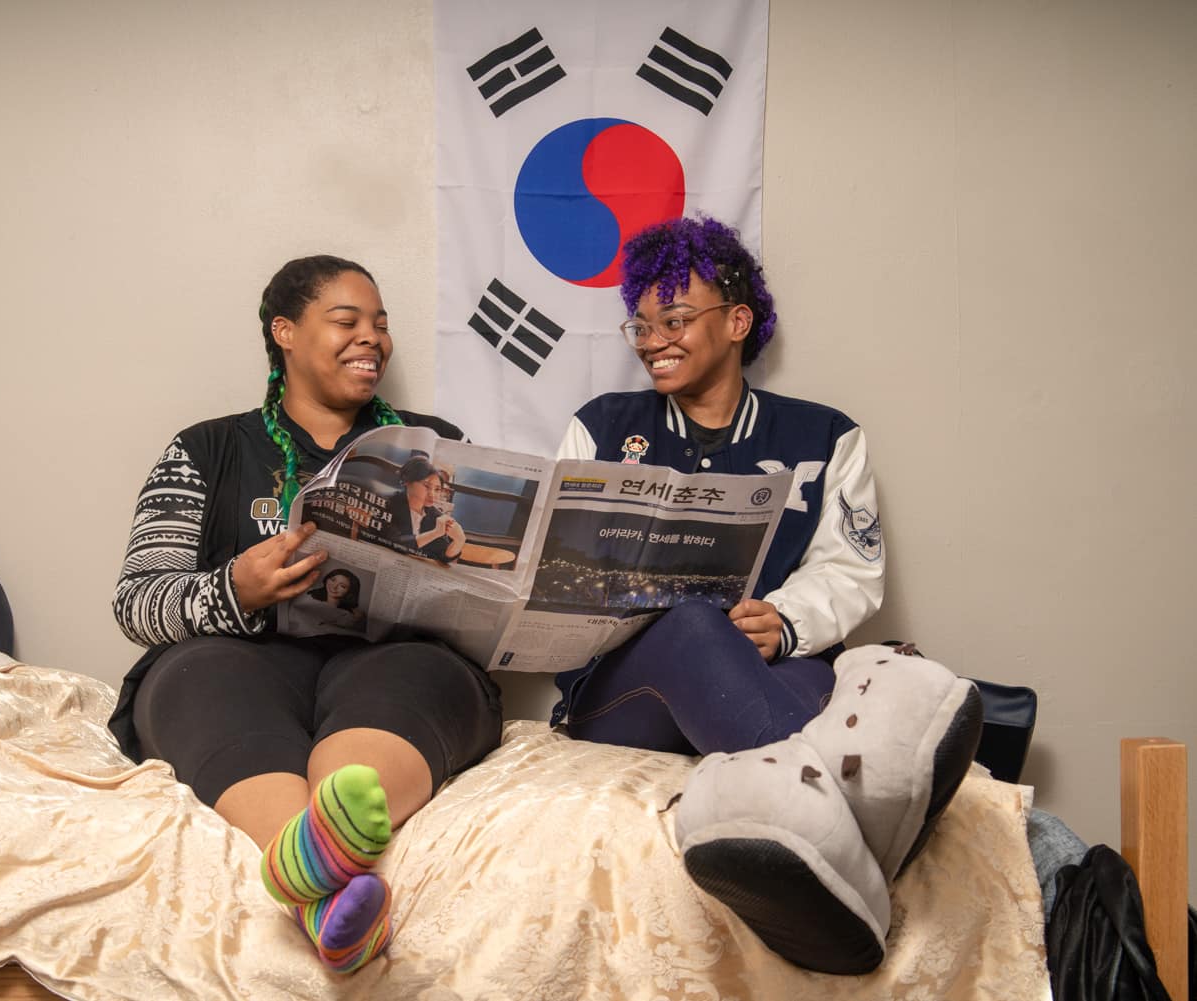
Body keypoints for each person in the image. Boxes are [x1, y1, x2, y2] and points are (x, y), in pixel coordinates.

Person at [106, 255, 503, 974]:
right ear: (285, 333)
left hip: (392, 659)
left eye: (380, 325)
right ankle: (318, 881)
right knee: (198, 673)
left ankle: (317, 879)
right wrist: (236, 587)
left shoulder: (439, 446)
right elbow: (137, 600)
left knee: (424, 674)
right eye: (347, 321)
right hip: (241, 660)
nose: (372, 339)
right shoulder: (205, 448)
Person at [553, 214, 884, 757]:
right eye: (640, 327)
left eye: (674, 321)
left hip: (777, 663)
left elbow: (850, 570)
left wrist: (783, 622)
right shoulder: (601, 427)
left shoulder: (825, 435)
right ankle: (863, 789)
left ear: (737, 322)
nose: (652, 342)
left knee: (812, 690)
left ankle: (803, 787)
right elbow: (558, 576)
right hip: (627, 691)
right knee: (696, 626)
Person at [382, 456, 464, 563]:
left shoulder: (434, 515)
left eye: (437, 489)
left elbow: (443, 556)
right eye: (427, 486)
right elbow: (393, 543)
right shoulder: (388, 504)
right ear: (407, 481)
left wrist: (459, 540)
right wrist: (434, 533)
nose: (432, 494)